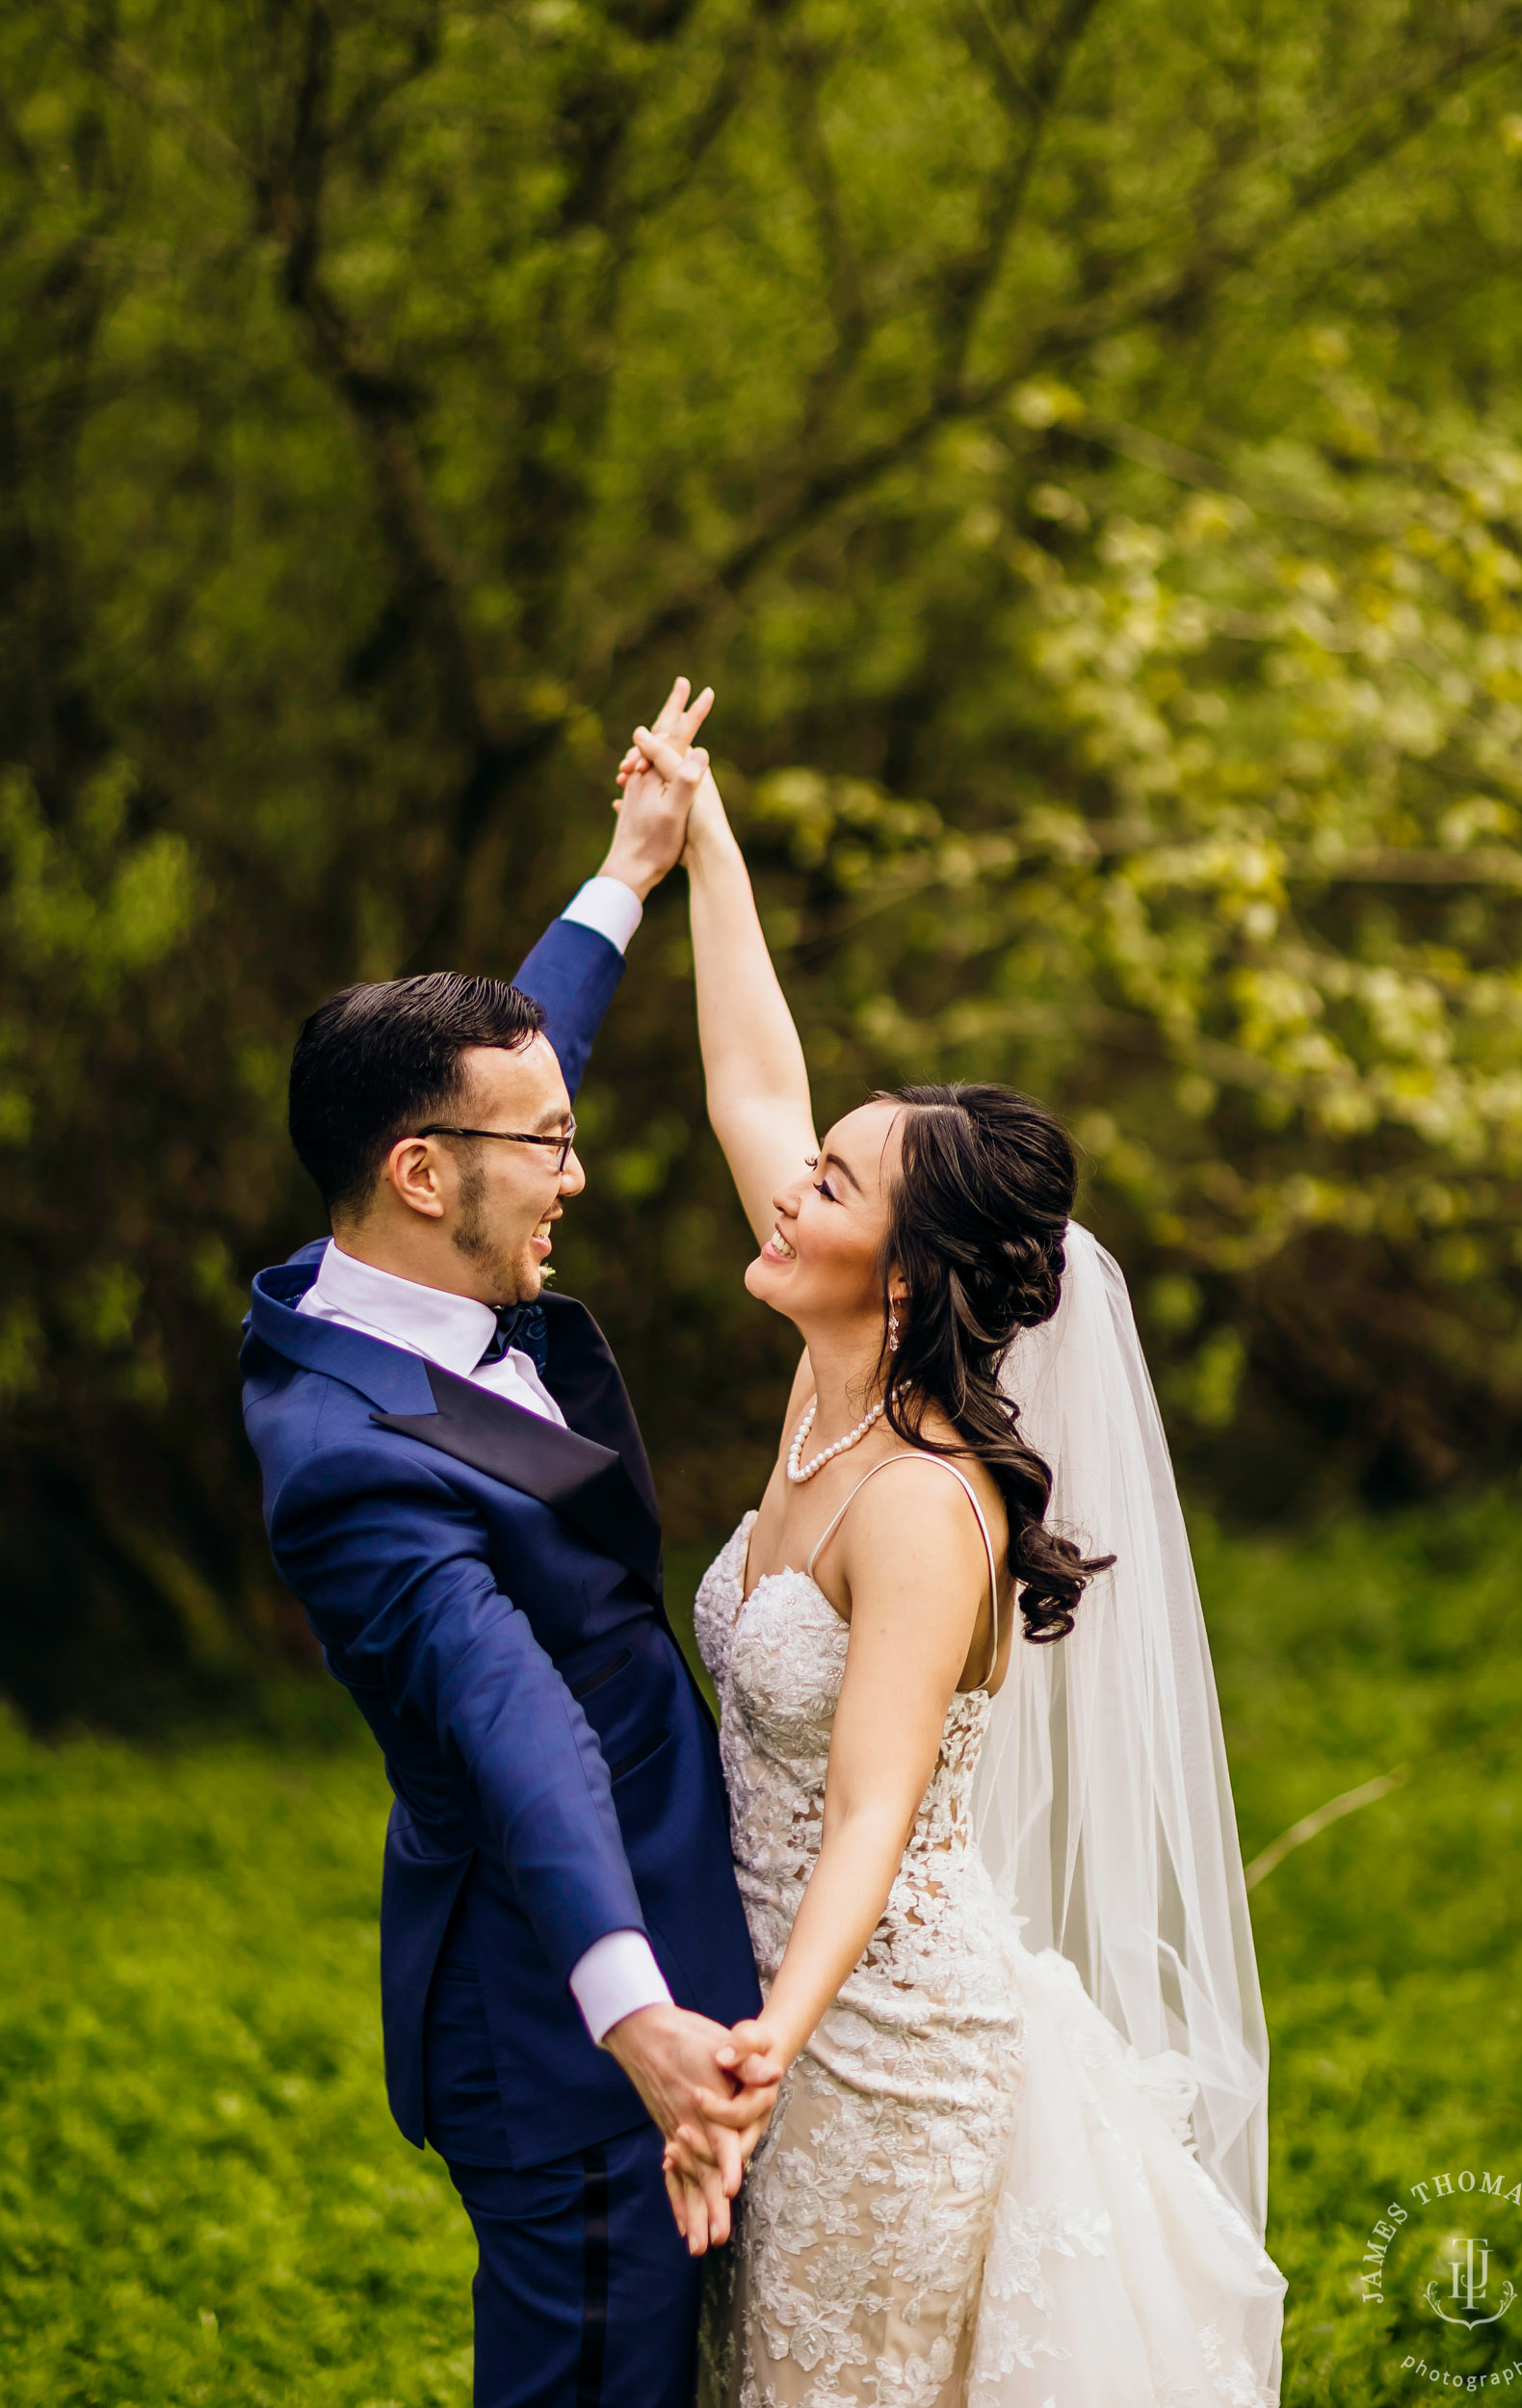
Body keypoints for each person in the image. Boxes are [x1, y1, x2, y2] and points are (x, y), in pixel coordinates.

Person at [617, 718, 1287, 2406]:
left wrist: (775, 2043)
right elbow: (753, 1085)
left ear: (902, 1276)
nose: (784, 1196)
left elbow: (873, 1811)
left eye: (826, 1185)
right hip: (766, 2009)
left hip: (883, 2044)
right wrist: (706, 845)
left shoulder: (924, 1502)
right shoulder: (828, 1352)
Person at [239, 682, 771, 2408]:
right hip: (561, 2036)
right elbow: (511, 1713)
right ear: (416, 1174)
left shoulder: (411, 1250)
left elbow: (519, 1071)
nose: (578, 1173)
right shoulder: (344, 1462)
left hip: (654, 1923)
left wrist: (631, 868)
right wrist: (632, 2018)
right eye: (549, 1149)